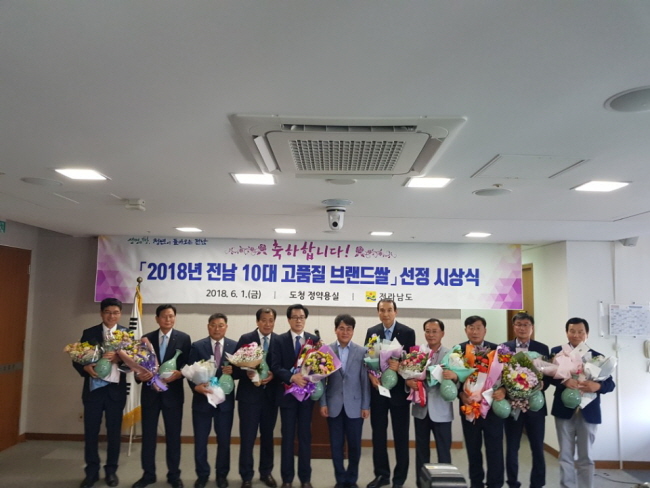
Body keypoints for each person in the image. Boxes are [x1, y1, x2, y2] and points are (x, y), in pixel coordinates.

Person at [550, 317, 615, 488]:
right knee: (565, 455)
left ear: (587, 334)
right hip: (564, 410)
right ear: (566, 332)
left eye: (580, 332)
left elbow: (610, 384)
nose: (576, 335)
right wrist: (564, 381)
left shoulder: (597, 357)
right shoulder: (557, 352)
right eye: (572, 331)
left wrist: (597, 386)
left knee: (586, 456)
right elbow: (547, 376)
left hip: (588, 411)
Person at [132, 304, 191, 488]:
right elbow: (138, 365)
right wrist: (138, 376)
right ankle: (148, 474)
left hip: (173, 395)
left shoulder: (184, 338)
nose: (168, 319)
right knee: (148, 436)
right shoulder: (146, 339)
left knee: (173, 437)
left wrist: (180, 374)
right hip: (150, 395)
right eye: (164, 316)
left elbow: (187, 365)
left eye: (171, 316)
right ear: (157, 318)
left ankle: (174, 475)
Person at [73, 298, 128, 488]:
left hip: (115, 392)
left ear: (120, 314)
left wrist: (120, 359)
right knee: (91, 432)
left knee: (114, 433)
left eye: (115, 312)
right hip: (93, 391)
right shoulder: (89, 333)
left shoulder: (126, 334)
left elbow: (135, 363)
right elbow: (77, 358)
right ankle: (92, 472)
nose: (112, 316)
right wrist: (85, 367)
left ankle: (111, 471)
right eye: (108, 312)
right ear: (101, 313)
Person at [364, 299, 416, 488]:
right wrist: (372, 377)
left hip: (399, 394)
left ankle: (399, 479)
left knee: (401, 437)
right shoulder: (372, 332)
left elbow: (412, 363)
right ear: (378, 312)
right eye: (382, 310)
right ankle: (382, 475)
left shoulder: (407, 332)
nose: (385, 314)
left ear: (396, 312)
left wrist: (400, 365)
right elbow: (368, 359)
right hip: (378, 392)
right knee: (378, 435)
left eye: (389, 310)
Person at [271, 304, 319, 488]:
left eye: (302, 317)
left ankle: (305, 479)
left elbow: (320, 365)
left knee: (306, 437)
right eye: (295, 317)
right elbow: (275, 366)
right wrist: (292, 377)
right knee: (288, 437)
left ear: (305, 319)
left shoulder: (314, 340)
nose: (299, 320)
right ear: (289, 319)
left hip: (306, 397)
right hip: (287, 397)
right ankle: (287, 479)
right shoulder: (279, 340)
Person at [319, 314, 370, 488]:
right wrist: (323, 403)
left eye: (349, 329)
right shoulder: (326, 351)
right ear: (335, 330)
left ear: (353, 331)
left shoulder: (362, 352)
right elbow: (321, 380)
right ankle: (340, 480)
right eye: (341, 328)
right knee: (336, 445)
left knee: (355, 446)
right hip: (333, 405)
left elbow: (364, 381)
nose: (345, 332)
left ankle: (352, 479)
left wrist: (365, 405)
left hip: (355, 406)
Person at [187, 313, 237, 488]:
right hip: (202, 401)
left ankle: (222, 475)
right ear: (208, 326)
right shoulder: (197, 346)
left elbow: (240, 372)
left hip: (225, 403)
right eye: (213, 325)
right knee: (200, 441)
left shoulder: (235, 346)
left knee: (224, 441)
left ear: (226, 327)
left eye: (221, 325)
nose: (217, 329)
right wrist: (196, 388)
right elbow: (189, 372)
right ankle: (202, 475)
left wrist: (234, 372)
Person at [500, 312, 550, 488]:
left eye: (526, 325)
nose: (522, 328)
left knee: (537, 447)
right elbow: (499, 375)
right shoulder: (504, 348)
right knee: (512, 447)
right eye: (519, 325)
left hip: (535, 406)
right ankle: (512, 482)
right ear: (514, 327)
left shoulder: (542, 348)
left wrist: (542, 384)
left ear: (532, 327)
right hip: (512, 404)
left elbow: (548, 374)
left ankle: (537, 483)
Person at [456, 315, 505, 488]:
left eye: (478, 328)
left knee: (495, 449)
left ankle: (495, 484)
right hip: (470, 407)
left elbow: (507, 376)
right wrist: (460, 394)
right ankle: (476, 483)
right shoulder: (459, 350)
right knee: (473, 449)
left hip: (492, 407)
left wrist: (503, 390)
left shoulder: (498, 350)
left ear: (485, 330)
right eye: (471, 328)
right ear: (466, 330)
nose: (475, 331)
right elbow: (454, 378)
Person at [234, 308, 280, 488]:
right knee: (247, 438)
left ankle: (266, 472)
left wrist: (274, 375)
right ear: (257, 321)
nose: (267, 324)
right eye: (264, 320)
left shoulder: (279, 340)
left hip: (270, 397)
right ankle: (246, 475)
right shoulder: (246, 339)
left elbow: (282, 367)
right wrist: (247, 373)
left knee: (268, 437)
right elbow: (235, 368)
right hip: (249, 398)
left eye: (271, 320)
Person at [405, 318, 454, 480]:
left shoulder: (450, 354)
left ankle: (445, 482)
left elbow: (457, 382)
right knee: (421, 451)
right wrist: (408, 383)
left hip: (442, 411)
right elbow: (408, 376)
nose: (431, 334)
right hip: (421, 409)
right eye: (427, 331)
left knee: (444, 451)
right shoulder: (417, 353)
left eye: (434, 331)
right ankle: (422, 482)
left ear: (442, 333)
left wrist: (453, 377)